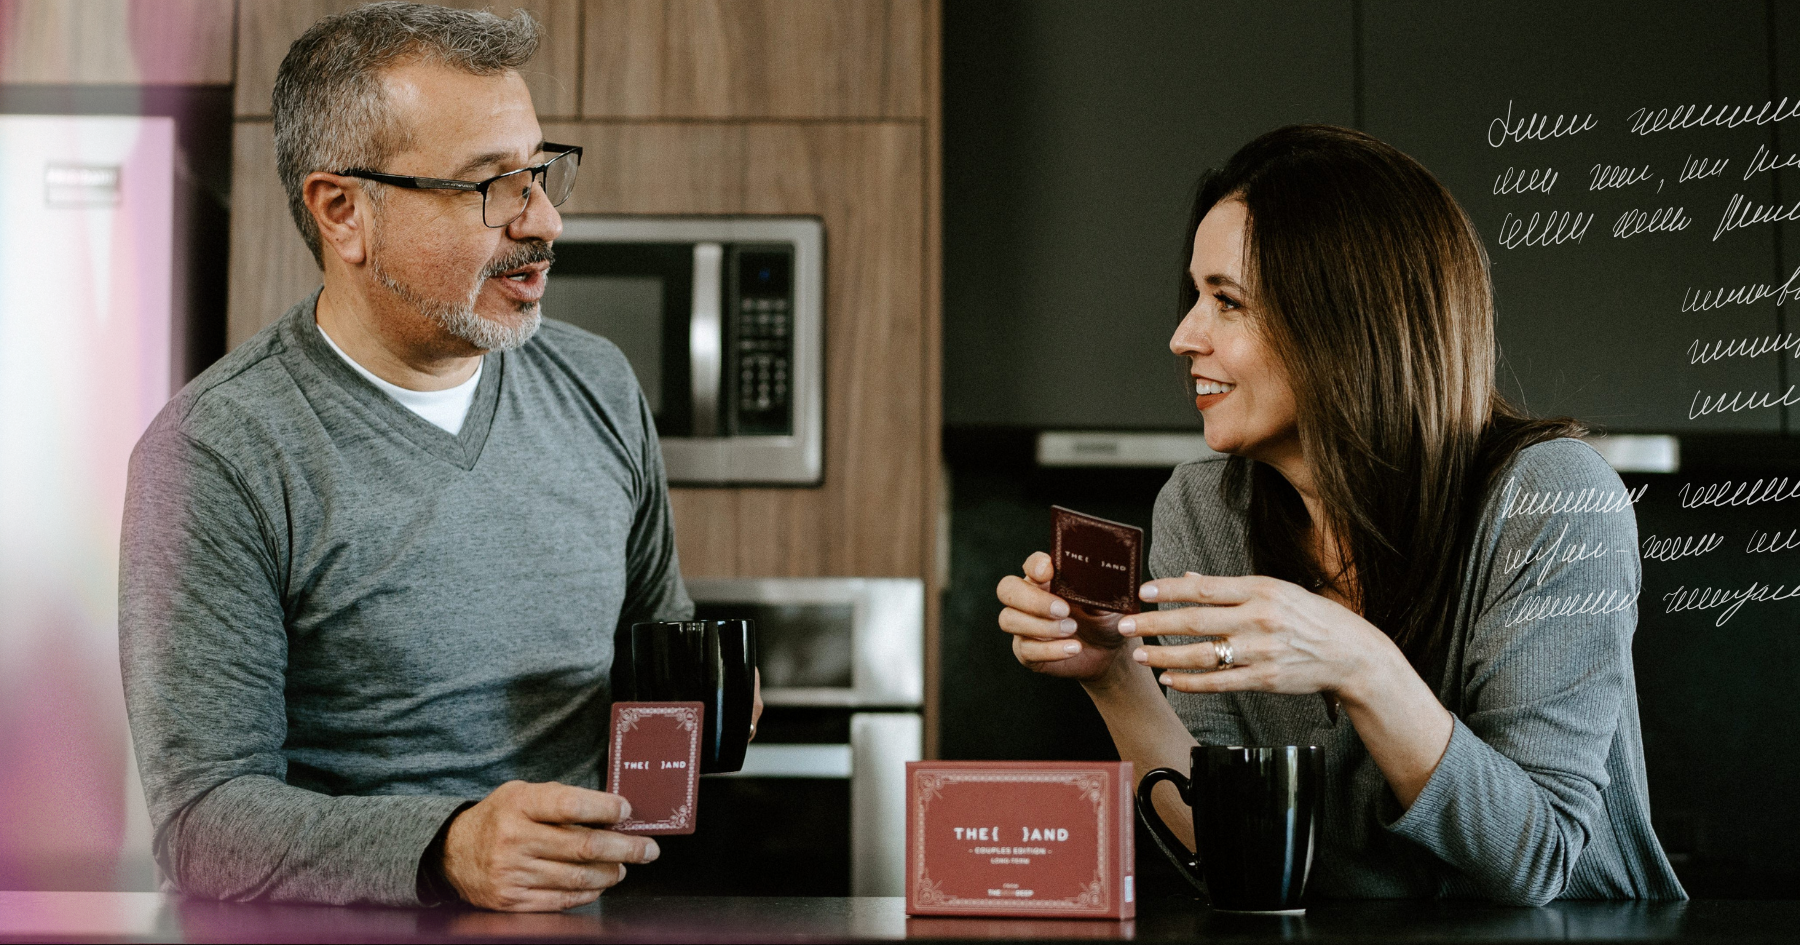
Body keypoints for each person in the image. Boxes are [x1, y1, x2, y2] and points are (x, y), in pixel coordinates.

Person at [119, 2, 756, 912]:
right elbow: (203, 823)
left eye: (539, 173)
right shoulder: (217, 453)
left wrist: (705, 711)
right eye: (491, 186)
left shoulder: (598, 386)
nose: (543, 222)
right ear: (344, 212)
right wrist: (451, 845)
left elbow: (657, 655)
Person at [996, 125, 1685, 905]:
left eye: (1227, 301)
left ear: (1348, 322)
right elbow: (1233, 849)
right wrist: (1115, 678)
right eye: (1196, 297)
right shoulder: (1201, 509)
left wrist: (1362, 665)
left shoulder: (1553, 498)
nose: (1183, 335)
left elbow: (1537, 858)